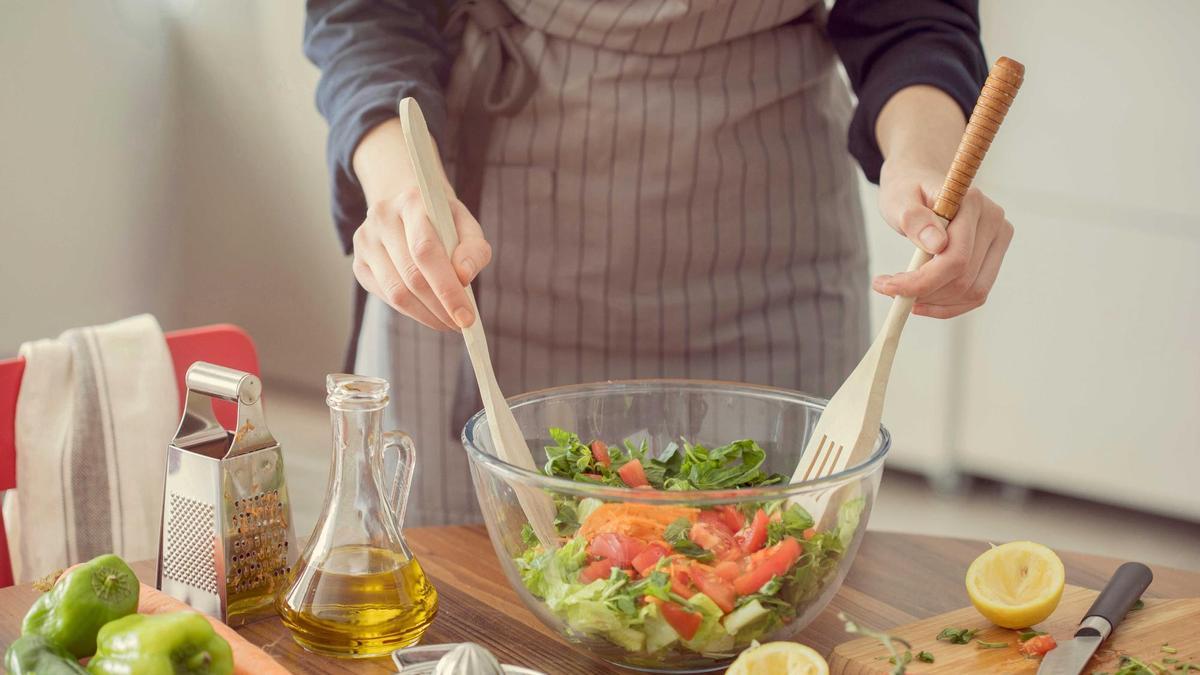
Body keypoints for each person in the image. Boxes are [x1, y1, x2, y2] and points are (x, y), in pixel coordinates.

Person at [304, 0, 1012, 527]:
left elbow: (911, 14)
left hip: (767, 224)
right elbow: (369, 11)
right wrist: (399, 188)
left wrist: (924, 162)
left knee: (778, 579)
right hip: (487, 228)